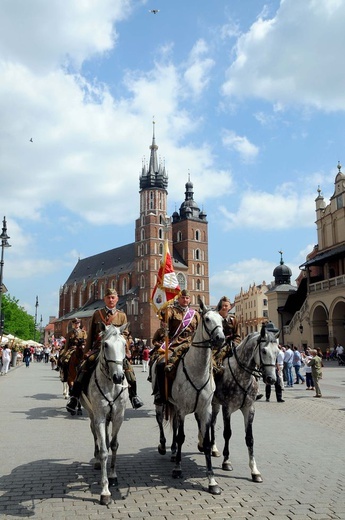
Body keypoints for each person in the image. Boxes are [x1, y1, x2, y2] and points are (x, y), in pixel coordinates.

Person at [66, 288, 143, 413]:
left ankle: (133, 396)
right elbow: (90, 334)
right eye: (108, 297)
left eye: (113, 297)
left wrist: (124, 346)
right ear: (104, 299)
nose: (111, 300)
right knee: (84, 366)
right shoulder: (97, 314)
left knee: (128, 368)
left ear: (117, 299)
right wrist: (87, 351)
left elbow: (126, 334)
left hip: (115, 350)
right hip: (99, 348)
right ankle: (74, 397)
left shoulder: (122, 315)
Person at [151, 289, 200, 404]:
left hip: (192, 344)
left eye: (187, 298)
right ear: (178, 299)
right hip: (175, 344)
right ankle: (161, 394)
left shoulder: (195, 314)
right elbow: (164, 317)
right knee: (161, 364)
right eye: (182, 297)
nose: (185, 300)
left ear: (189, 299)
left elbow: (199, 330)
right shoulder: (172, 311)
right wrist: (164, 306)